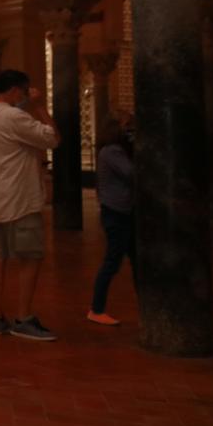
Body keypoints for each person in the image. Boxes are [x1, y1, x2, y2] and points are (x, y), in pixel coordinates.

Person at [0, 69, 61, 341]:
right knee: (29, 257)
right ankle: (23, 318)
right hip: (19, 200)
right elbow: (53, 138)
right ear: (14, 91)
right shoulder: (13, 116)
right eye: (24, 91)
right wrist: (40, 106)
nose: (25, 95)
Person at [88, 114, 135, 325]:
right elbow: (131, 173)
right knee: (112, 262)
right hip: (118, 212)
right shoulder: (113, 151)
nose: (129, 132)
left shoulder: (110, 151)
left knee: (136, 261)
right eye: (126, 127)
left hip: (121, 210)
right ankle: (96, 309)